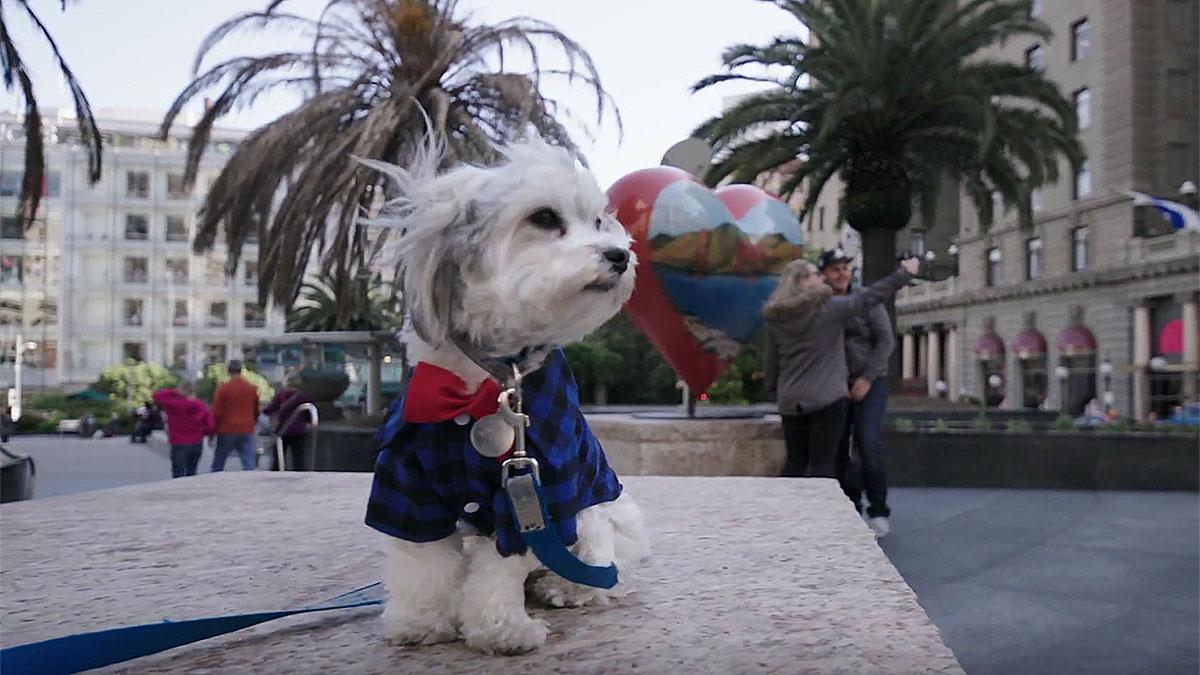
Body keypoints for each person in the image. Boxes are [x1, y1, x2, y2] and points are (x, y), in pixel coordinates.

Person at [763, 255, 919, 480]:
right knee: (823, 464)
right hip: (826, 398)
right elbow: (870, 297)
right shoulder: (830, 309)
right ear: (804, 281)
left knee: (795, 463)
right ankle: (825, 513)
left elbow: (771, 363)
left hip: (790, 400)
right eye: (816, 274)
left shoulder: (775, 318)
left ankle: (788, 512)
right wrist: (904, 274)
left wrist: (774, 391)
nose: (820, 277)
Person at [820, 248, 896, 537]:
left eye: (845, 268)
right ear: (825, 274)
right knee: (837, 447)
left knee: (868, 441)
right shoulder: (821, 303)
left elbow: (886, 341)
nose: (841, 274)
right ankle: (850, 505)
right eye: (835, 269)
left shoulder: (866, 301)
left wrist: (867, 378)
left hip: (871, 382)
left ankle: (878, 509)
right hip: (834, 385)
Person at [152, 382, 213, 478]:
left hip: (179, 443)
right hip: (196, 442)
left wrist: (174, 392)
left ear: (180, 390)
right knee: (192, 473)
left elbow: (156, 395)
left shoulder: (174, 404)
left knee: (178, 474)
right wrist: (206, 434)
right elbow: (209, 425)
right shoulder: (201, 405)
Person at [210, 360, 261, 472]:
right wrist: (253, 422)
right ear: (241, 371)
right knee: (249, 464)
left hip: (227, 429)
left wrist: (212, 432)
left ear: (228, 371)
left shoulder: (223, 389)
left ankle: (214, 485)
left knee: (218, 463)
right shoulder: (251, 388)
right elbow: (256, 409)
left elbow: (217, 413)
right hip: (247, 428)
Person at [263, 372, 314, 471]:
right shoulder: (303, 397)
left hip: (283, 430)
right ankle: (299, 474)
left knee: (278, 456)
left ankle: (276, 473)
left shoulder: (281, 396)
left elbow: (269, 410)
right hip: (299, 431)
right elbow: (309, 414)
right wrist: (308, 423)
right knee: (299, 457)